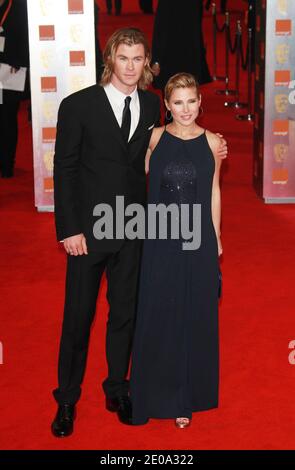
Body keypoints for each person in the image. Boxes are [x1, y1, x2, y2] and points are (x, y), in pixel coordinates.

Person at [51, 27, 161, 437]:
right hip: (87, 234)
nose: (131, 67)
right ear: (109, 60)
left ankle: (117, 387)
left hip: (132, 229)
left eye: (138, 59)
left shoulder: (152, 106)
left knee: (125, 314)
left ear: (145, 63)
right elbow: (65, 170)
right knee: (78, 319)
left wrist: (211, 144)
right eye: (124, 58)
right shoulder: (77, 106)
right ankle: (66, 399)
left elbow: (160, 150)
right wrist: (70, 229)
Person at [130, 72, 222, 428]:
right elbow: (135, 180)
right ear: (166, 106)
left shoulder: (213, 142)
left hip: (198, 241)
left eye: (192, 101)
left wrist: (217, 238)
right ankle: (152, 393)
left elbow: (214, 192)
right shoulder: (153, 139)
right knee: (158, 314)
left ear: (201, 101)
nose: (186, 109)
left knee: (192, 315)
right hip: (160, 240)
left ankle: (185, 398)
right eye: (178, 102)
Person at [151, 0, 211, 91]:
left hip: (175, 54)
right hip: (184, 54)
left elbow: (161, 28)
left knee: (176, 90)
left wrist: (156, 59)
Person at [0, 0, 29, 178]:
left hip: (12, 68)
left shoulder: (19, 4)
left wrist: (19, 60)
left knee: (8, 117)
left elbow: (26, 33)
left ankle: (7, 164)